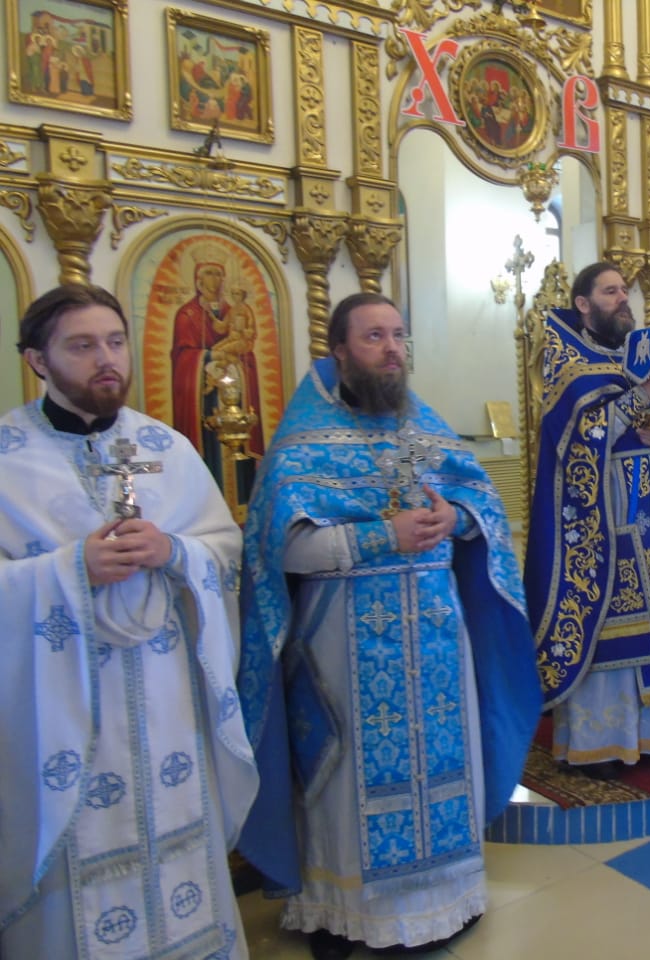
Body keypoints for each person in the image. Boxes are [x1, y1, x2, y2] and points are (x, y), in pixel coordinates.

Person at [236, 293, 540, 960]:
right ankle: (346, 912)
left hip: (435, 633)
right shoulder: (302, 446)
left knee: (442, 760)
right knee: (348, 773)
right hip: (344, 640)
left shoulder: (423, 430)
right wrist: (384, 536)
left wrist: (453, 521)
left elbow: (477, 502)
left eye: (399, 334)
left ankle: (442, 900)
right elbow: (279, 553)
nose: (392, 348)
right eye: (374, 336)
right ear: (340, 351)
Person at [0, 283, 256, 959]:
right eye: (81, 346)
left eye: (114, 342)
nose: (105, 359)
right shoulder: (5, 459)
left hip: (167, 698)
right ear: (37, 359)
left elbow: (226, 552)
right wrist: (67, 569)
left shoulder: (164, 446)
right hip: (62, 709)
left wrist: (176, 551)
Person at [525, 262, 650, 781]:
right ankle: (603, 742)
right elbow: (574, 437)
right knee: (613, 623)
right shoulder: (566, 359)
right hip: (602, 519)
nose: (623, 298)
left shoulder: (635, 358)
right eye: (610, 291)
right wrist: (642, 396)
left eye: (625, 289)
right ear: (583, 304)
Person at [170, 253, 266, 475]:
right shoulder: (188, 313)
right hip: (204, 400)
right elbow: (182, 356)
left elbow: (247, 348)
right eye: (209, 274)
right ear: (198, 280)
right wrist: (210, 357)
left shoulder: (233, 310)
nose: (215, 279)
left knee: (240, 468)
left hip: (235, 391)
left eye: (218, 274)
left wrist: (238, 360)